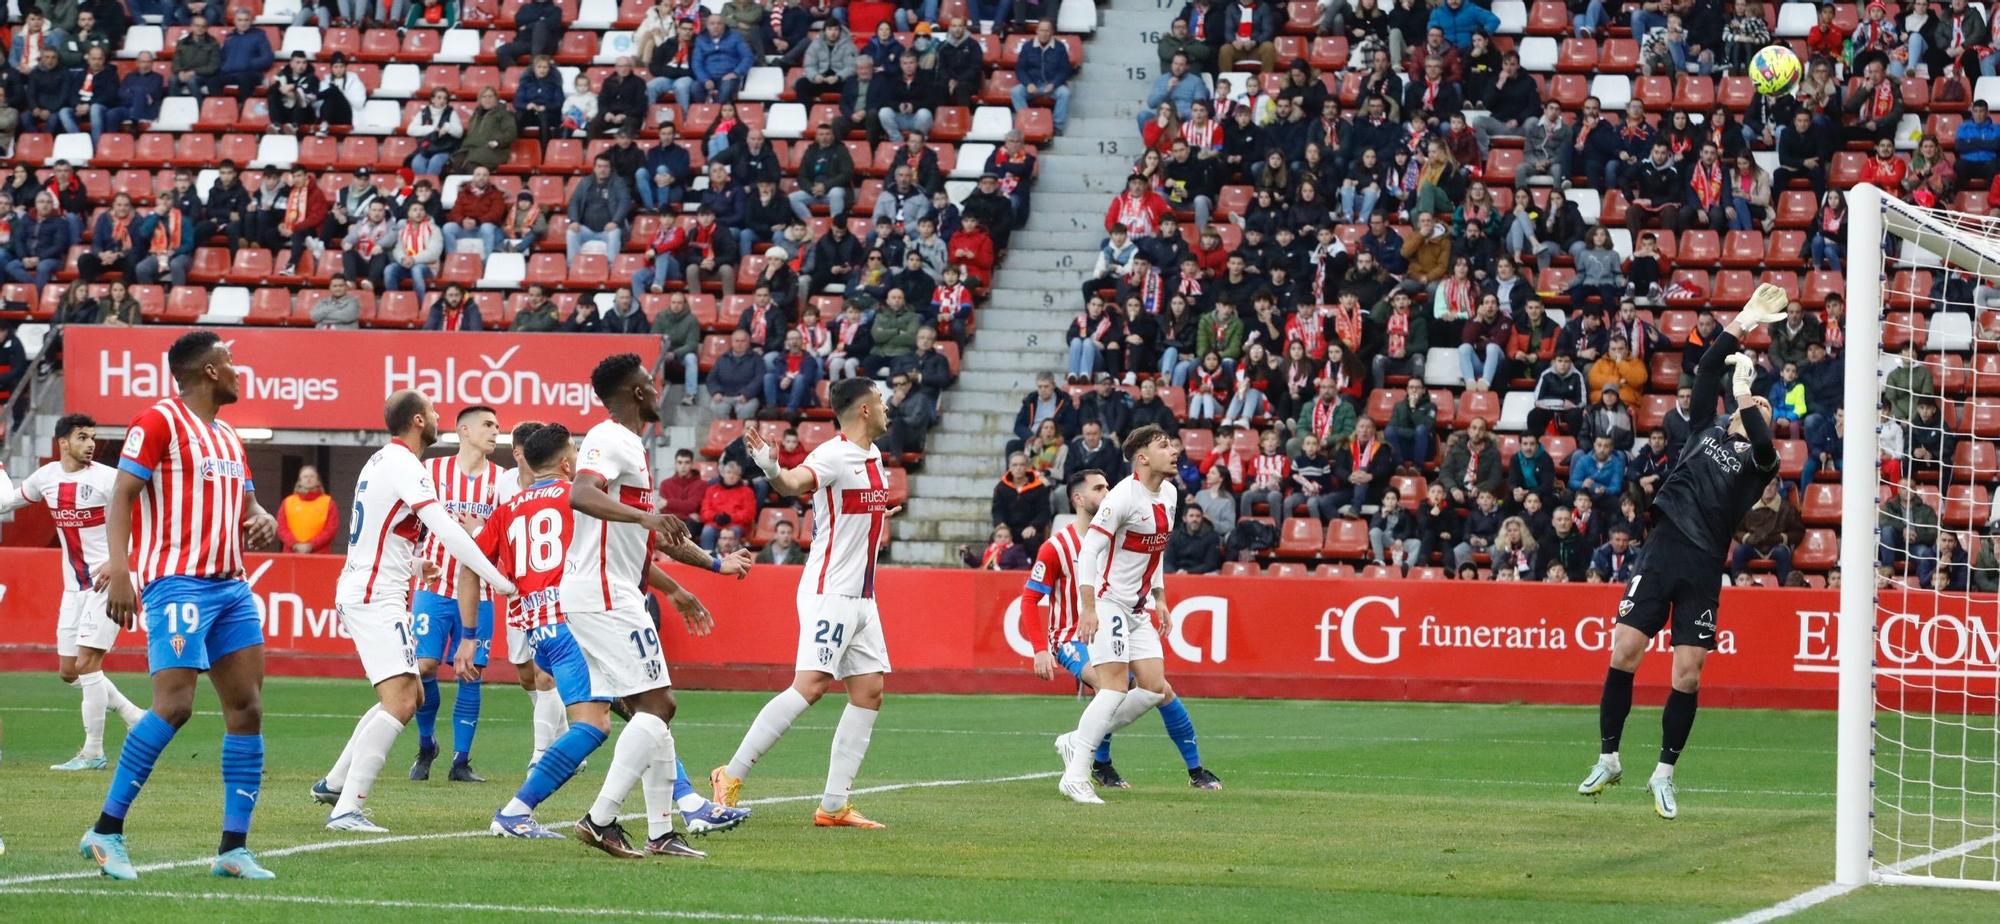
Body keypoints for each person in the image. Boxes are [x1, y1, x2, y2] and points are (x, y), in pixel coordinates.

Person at [1580, 284, 1788, 820]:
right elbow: (1709, 365)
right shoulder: (1702, 426)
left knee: (1688, 674)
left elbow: (1764, 442)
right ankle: (1609, 757)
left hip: (1703, 565)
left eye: (1764, 403)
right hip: (1665, 546)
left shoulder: (1760, 463)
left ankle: (1665, 773)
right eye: (1756, 401)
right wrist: (1743, 319)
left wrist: (1748, 399)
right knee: (1624, 649)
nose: (1759, 405)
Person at [80, 331, 281, 880]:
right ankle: (104, 831)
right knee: (174, 705)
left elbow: (248, 503)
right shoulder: (159, 421)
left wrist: (261, 517)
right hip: (180, 583)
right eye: (231, 360)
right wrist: (121, 569)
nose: (239, 368)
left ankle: (233, 850)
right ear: (210, 370)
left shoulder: (229, 438)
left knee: (248, 709)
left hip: (231, 588)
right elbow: (122, 494)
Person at [310, 392, 518, 833]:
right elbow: (448, 531)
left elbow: (378, 528)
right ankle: (347, 809)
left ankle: (334, 782)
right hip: (374, 594)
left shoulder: (380, 461)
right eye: (436, 413)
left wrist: (412, 562)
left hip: (376, 587)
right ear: (418, 420)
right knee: (403, 699)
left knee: (413, 695)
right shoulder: (406, 464)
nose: (441, 418)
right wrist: (497, 579)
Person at [714, 378, 900, 828]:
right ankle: (730, 774)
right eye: (881, 401)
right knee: (812, 685)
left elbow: (849, 511)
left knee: (869, 691)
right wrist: (772, 469)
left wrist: (877, 517)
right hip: (829, 591)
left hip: (862, 595)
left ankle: (834, 805)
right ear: (863, 410)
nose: (887, 406)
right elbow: (796, 483)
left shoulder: (873, 457)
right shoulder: (833, 454)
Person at [1019, 469, 1222, 790]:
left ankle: (1195, 770)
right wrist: (1040, 648)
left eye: (1109, 485)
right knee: (1110, 686)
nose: (1107, 491)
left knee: (1160, 690)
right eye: (1099, 488)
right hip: (1072, 636)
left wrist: (1159, 599)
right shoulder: (1056, 547)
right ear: (1078, 499)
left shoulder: (1121, 535)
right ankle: (1099, 762)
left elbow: (1151, 564)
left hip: (1118, 624)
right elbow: (1030, 599)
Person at [0, 415, 147, 771]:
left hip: (108, 582)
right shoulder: (46, 477)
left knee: (87, 664)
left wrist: (119, 561)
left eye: (93, 437)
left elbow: (132, 517)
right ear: (62, 442)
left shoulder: (108, 479)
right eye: (83, 437)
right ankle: (135, 715)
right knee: (70, 671)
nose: (91, 444)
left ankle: (93, 752)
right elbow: (6, 503)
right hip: (74, 586)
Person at [1053, 425, 1185, 804]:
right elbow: (1089, 551)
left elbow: (1154, 552)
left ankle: (1077, 741)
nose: (1173, 450)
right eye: (1163, 446)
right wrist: (1089, 606)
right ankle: (1076, 775)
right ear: (1142, 458)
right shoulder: (1122, 498)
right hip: (1110, 601)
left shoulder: (1170, 494)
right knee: (1113, 688)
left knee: (1153, 688)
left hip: (1139, 606)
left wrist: (1160, 597)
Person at [398, 406, 510, 783]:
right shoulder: (431, 472)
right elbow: (404, 528)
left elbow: (510, 538)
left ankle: (461, 761)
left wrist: (485, 528)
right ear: (464, 430)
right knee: (424, 667)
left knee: (470, 672)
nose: (496, 431)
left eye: (497, 426)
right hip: (432, 586)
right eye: (488, 425)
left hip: (478, 594)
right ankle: (427, 743)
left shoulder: (502, 481)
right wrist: (414, 565)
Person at [1011, 21, 1074, 134]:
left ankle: (1056, 127)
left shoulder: (1060, 48)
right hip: (1032, 85)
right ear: (1037, 31)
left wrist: (1054, 84)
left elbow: (1064, 70)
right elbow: (1020, 69)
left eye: (1047, 31)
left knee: (1064, 93)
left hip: (1051, 86)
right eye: (1041, 30)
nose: (1044, 34)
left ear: (1052, 32)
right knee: (1016, 92)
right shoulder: (1027, 46)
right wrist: (1028, 83)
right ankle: (1027, 122)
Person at [276, 465, 337, 553]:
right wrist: (294, 544)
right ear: (299, 481)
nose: (309, 479)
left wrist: (311, 545)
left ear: (317, 481)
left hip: (320, 554)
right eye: (305, 476)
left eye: (312, 476)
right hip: (292, 554)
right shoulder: (288, 502)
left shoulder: (328, 502)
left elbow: (330, 529)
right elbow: (281, 527)